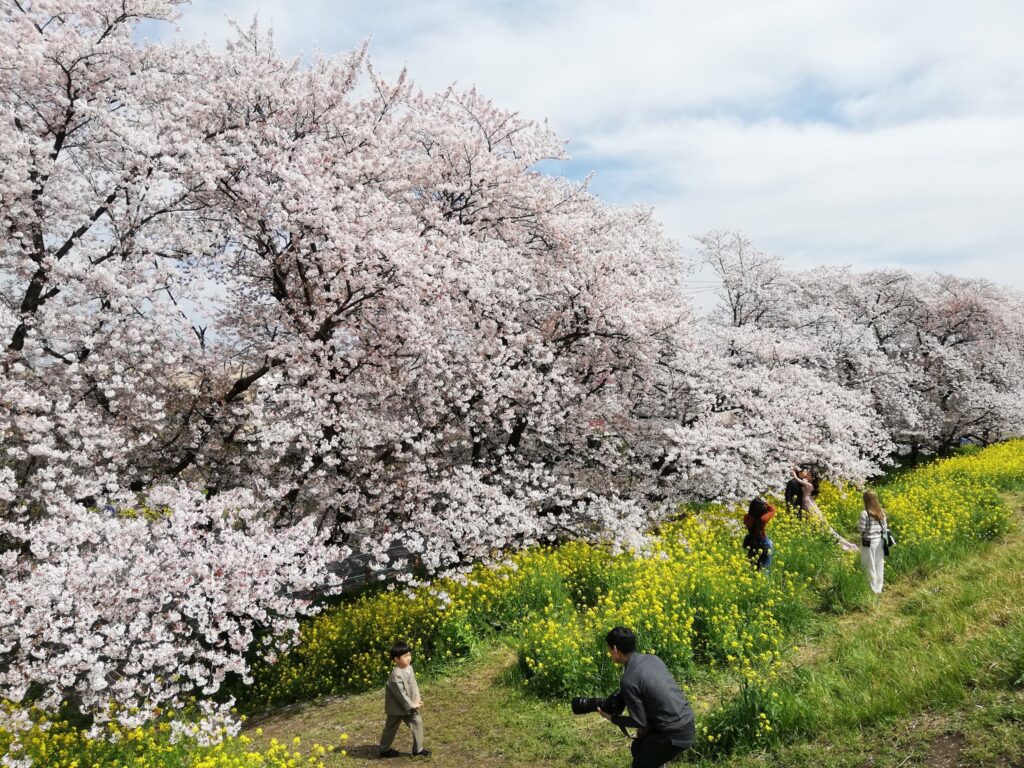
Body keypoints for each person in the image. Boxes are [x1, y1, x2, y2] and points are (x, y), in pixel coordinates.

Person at [598, 626, 695, 768]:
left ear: (615, 649)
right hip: (687, 722)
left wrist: (611, 718)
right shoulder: (653, 659)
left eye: (609, 649)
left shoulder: (628, 679)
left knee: (640, 764)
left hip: (673, 734)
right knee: (638, 748)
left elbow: (641, 723)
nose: (609, 653)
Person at [790, 464, 859, 553]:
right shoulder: (807, 481)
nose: (807, 475)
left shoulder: (809, 484)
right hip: (807, 501)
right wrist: (795, 469)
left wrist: (794, 474)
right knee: (809, 521)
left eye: (809, 475)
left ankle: (843, 543)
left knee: (813, 520)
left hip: (807, 503)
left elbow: (798, 479)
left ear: (812, 478)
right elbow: (801, 478)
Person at [379, 641, 430, 758]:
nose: (408, 658)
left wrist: (417, 699)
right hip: (396, 707)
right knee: (390, 728)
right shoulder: (396, 675)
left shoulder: (409, 668)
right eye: (405, 656)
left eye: (409, 655)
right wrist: (412, 705)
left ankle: (418, 749)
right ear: (396, 659)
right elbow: (400, 695)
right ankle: (384, 749)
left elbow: (413, 685)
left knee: (417, 722)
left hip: (410, 705)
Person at [857, 489, 887, 594]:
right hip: (880, 541)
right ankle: (879, 587)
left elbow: (861, 529)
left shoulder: (865, 513)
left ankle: (872, 588)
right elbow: (885, 527)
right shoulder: (881, 512)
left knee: (869, 565)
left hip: (868, 542)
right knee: (879, 564)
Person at [742, 497, 776, 572]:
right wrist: (766, 503)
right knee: (765, 568)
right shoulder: (763, 519)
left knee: (753, 566)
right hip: (763, 544)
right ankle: (763, 581)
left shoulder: (746, 518)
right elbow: (772, 510)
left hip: (751, 543)